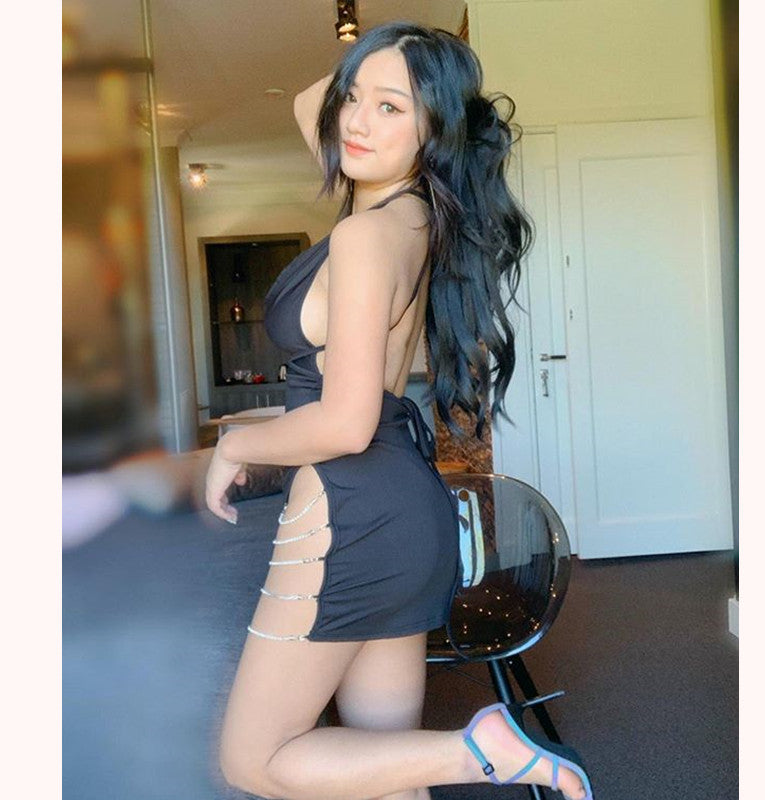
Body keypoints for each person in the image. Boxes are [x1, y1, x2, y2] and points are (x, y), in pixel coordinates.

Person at [205, 21, 593, 800]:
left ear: (436, 128)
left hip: (350, 506)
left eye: (391, 108)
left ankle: (477, 751)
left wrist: (236, 445)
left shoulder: (364, 234)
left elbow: (344, 424)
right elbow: (317, 102)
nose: (354, 121)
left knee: (252, 760)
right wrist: (393, 60)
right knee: (384, 772)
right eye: (355, 98)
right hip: (403, 505)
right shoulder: (417, 215)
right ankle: (464, 755)